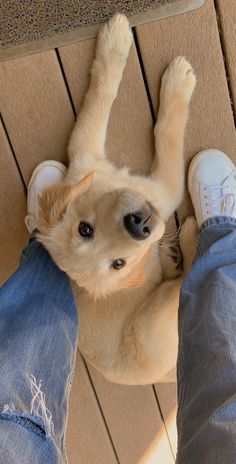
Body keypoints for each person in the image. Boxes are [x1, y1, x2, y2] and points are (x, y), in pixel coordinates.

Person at [0, 149, 235, 463]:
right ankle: (220, 241)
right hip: (143, 354)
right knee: (226, 381)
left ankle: (45, 248)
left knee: (17, 379)